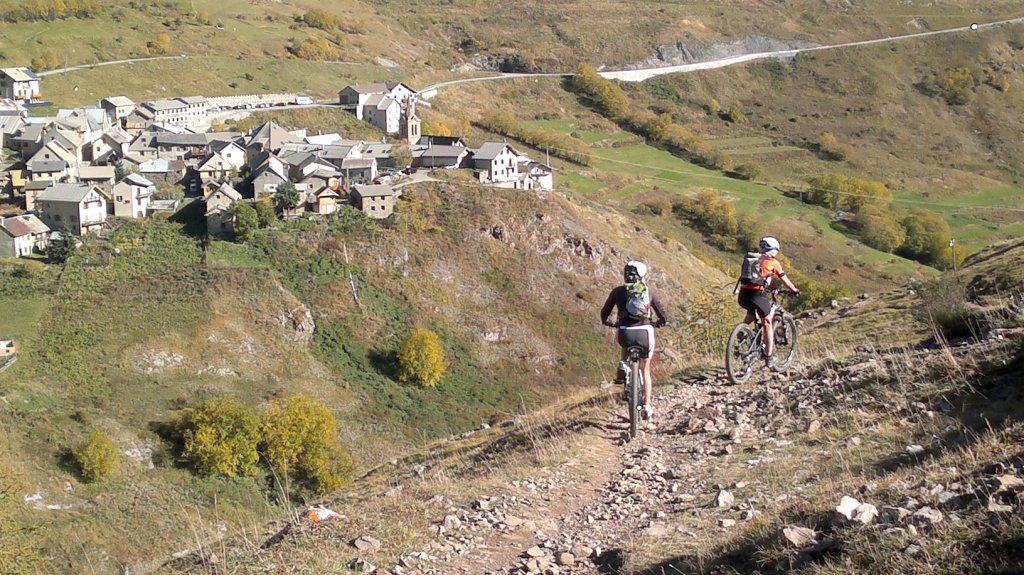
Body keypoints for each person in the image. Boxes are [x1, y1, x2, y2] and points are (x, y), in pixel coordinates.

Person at [600, 260, 668, 421]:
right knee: (645, 370)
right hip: (645, 332)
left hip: (624, 333)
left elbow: (604, 313)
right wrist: (659, 323)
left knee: (625, 347)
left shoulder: (617, 291)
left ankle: (623, 370)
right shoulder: (648, 292)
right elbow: (663, 315)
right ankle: (647, 406)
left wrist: (609, 322)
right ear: (642, 275)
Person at [737, 237, 800, 369]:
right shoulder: (773, 262)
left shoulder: (751, 258)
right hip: (757, 295)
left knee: (751, 312)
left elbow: (759, 278)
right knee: (767, 321)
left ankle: (741, 333)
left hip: (743, 295)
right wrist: (794, 290)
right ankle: (769, 357)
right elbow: (785, 280)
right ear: (774, 250)